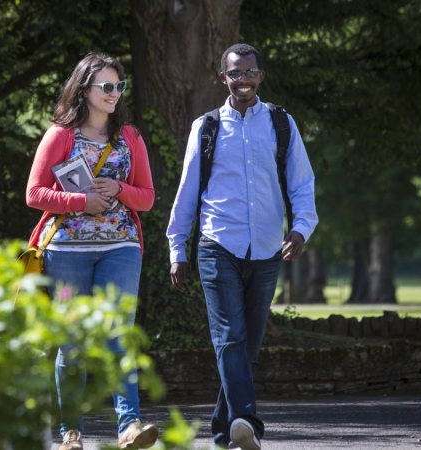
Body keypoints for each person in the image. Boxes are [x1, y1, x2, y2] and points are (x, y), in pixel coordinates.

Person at [166, 43, 319, 450]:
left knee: (248, 347)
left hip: (268, 248)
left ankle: (223, 429)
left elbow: (302, 184)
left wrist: (301, 230)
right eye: (235, 73)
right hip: (218, 244)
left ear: (261, 77)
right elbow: (187, 192)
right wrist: (177, 248)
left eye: (250, 72)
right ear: (224, 78)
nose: (243, 79)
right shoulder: (208, 126)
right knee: (230, 337)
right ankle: (247, 421)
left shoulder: (281, 123)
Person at [26, 52, 158, 450]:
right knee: (73, 342)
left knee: (120, 334)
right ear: (84, 89)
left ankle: (129, 427)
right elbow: (34, 194)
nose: (114, 93)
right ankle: (71, 432)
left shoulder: (130, 136)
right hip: (66, 250)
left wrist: (119, 190)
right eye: (106, 86)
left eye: (119, 86)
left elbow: (148, 198)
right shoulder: (59, 135)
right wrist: (81, 202)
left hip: (121, 247)